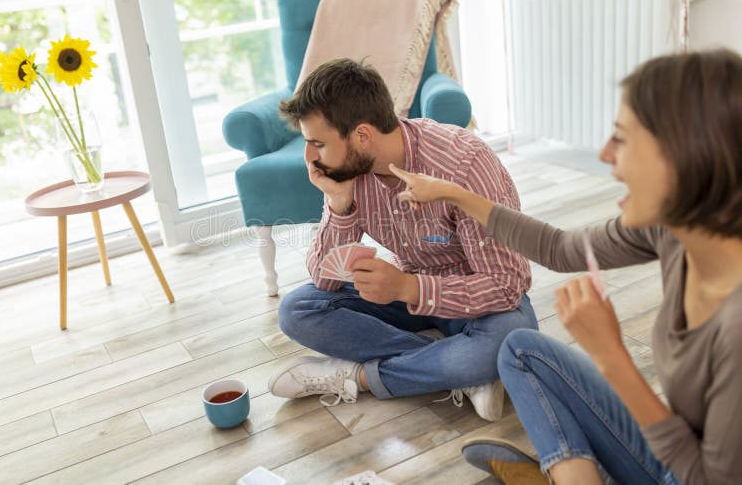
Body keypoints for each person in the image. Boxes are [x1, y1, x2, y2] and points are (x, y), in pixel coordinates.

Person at [389, 49, 742, 484]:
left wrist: (611, 355)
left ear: (686, 156)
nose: (605, 154)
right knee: (521, 349)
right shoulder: (671, 232)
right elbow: (559, 248)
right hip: (673, 455)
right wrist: (457, 194)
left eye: (623, 138)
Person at [266, 58, 538, 420]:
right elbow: (326, 279)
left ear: (362, 136)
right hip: (406, 299)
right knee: (297, 310)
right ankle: (455, 368)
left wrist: (409, 287)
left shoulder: (464, 165)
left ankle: (357, 376)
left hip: (478, 304)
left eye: (317, 143)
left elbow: (506, 286)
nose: (309, 158)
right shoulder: (350, 170)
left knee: (510, 338)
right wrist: (339, 204)